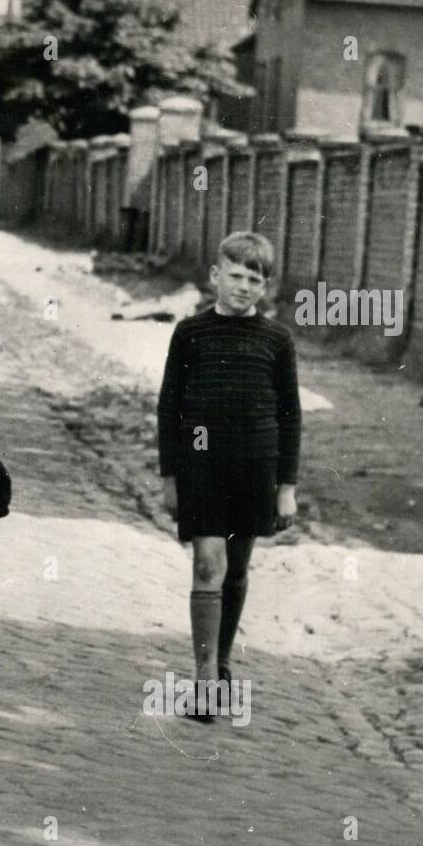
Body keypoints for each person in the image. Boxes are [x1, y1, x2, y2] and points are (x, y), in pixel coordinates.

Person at [157, 231, 301, 723]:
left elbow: (290, 415)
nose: (243, 286)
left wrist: (287, 488)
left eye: (253, 279)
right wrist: (169, 476)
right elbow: (169, 407)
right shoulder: (190, 332)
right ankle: (201, 679)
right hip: (202, 467)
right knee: (206, 564)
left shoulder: (277, 339)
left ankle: (220, 666)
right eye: (234, 276)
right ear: (215, 276)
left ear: (266, 287)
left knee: (236, 569)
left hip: (254, 467)